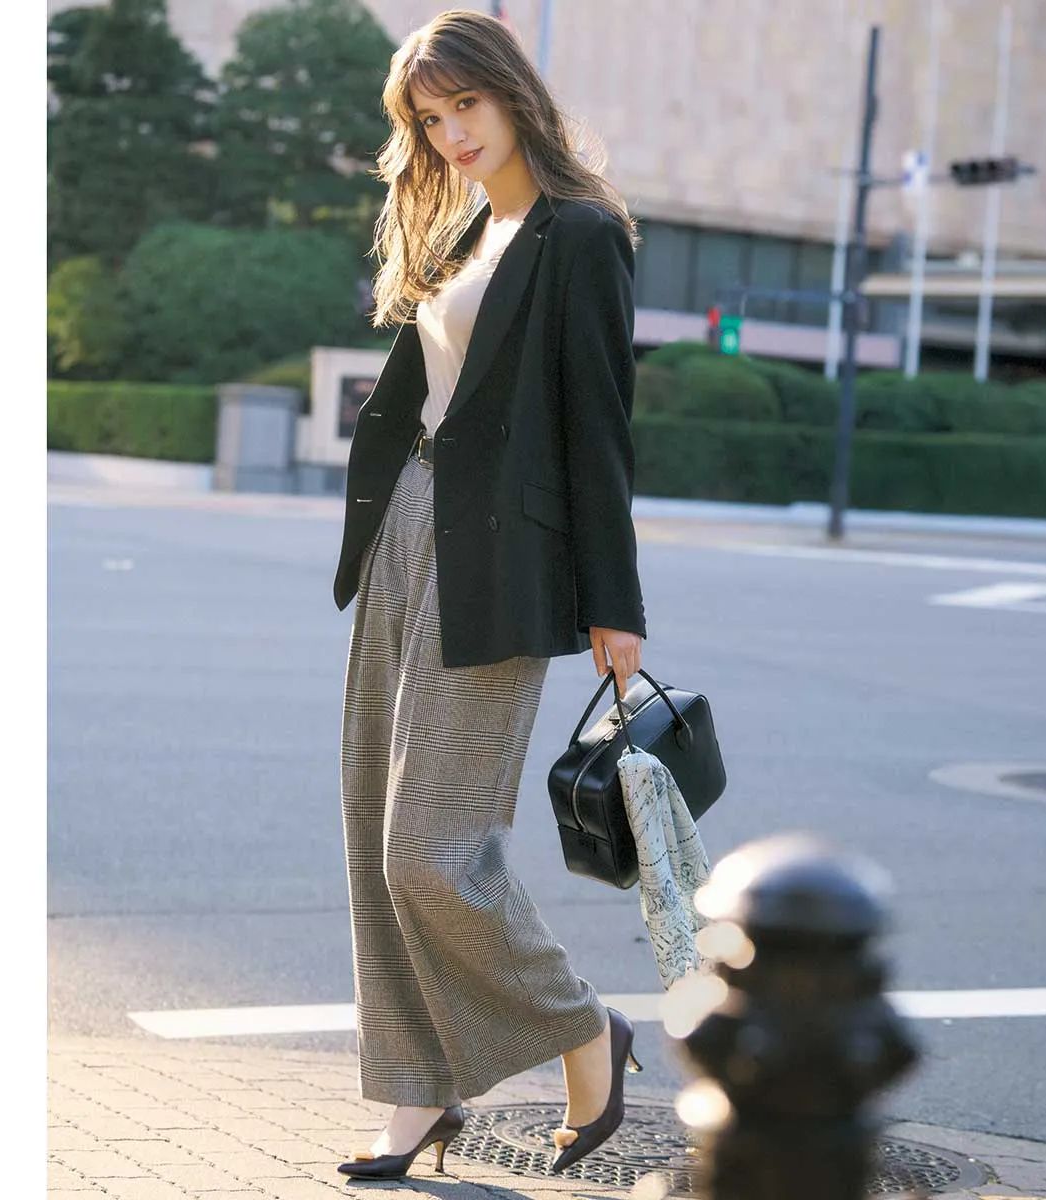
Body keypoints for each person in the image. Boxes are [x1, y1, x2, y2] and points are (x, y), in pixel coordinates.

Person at [331, 8, 648, 1183]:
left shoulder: (581, 234)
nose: (453, 133)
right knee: (375, 830)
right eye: (430, 118)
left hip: (502, 559)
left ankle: (583, 1028)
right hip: (405, 533)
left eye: (465, 104)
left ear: (513, 93)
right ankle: (415, 1095)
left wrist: (616, 603)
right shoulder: (466, 230)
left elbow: (598, 427)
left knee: (433, 850)